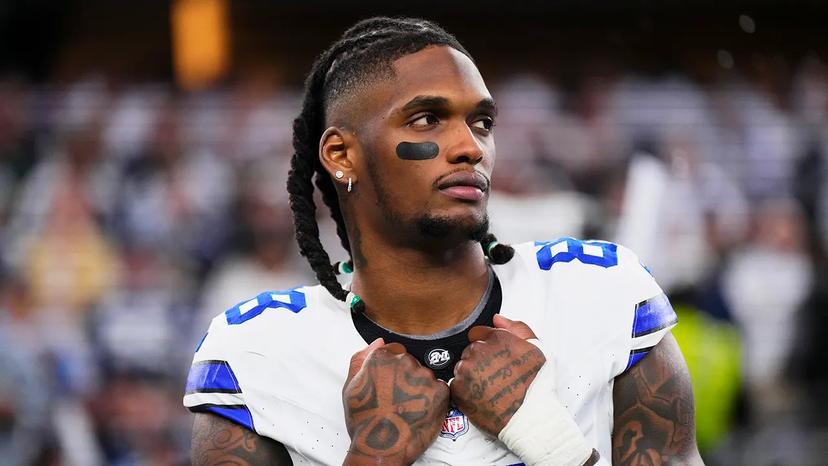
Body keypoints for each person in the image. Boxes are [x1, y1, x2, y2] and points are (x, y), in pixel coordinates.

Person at [184, 17, 702, 466]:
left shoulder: (600, 293)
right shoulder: (256, 351)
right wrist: (376, 454)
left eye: (482, 122)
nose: (469, 147)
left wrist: (551, 443)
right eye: (427, 118)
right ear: (341, 154)